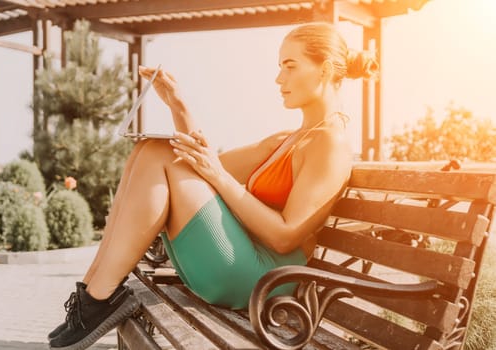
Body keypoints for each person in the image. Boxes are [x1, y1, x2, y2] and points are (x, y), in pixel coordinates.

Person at [48, 22, 378, 350]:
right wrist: (178, 104)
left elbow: (284, 236)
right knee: (149, 149)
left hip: (267, 280)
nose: (279, 79)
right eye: (280, 67)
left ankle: (99, 297)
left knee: (159, 153)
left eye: (290, 67)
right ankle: (93, 291)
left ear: (325, 70)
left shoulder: (330, 145)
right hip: (243, 264)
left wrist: (218, 176)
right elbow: (197, 164)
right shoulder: (288, 139)